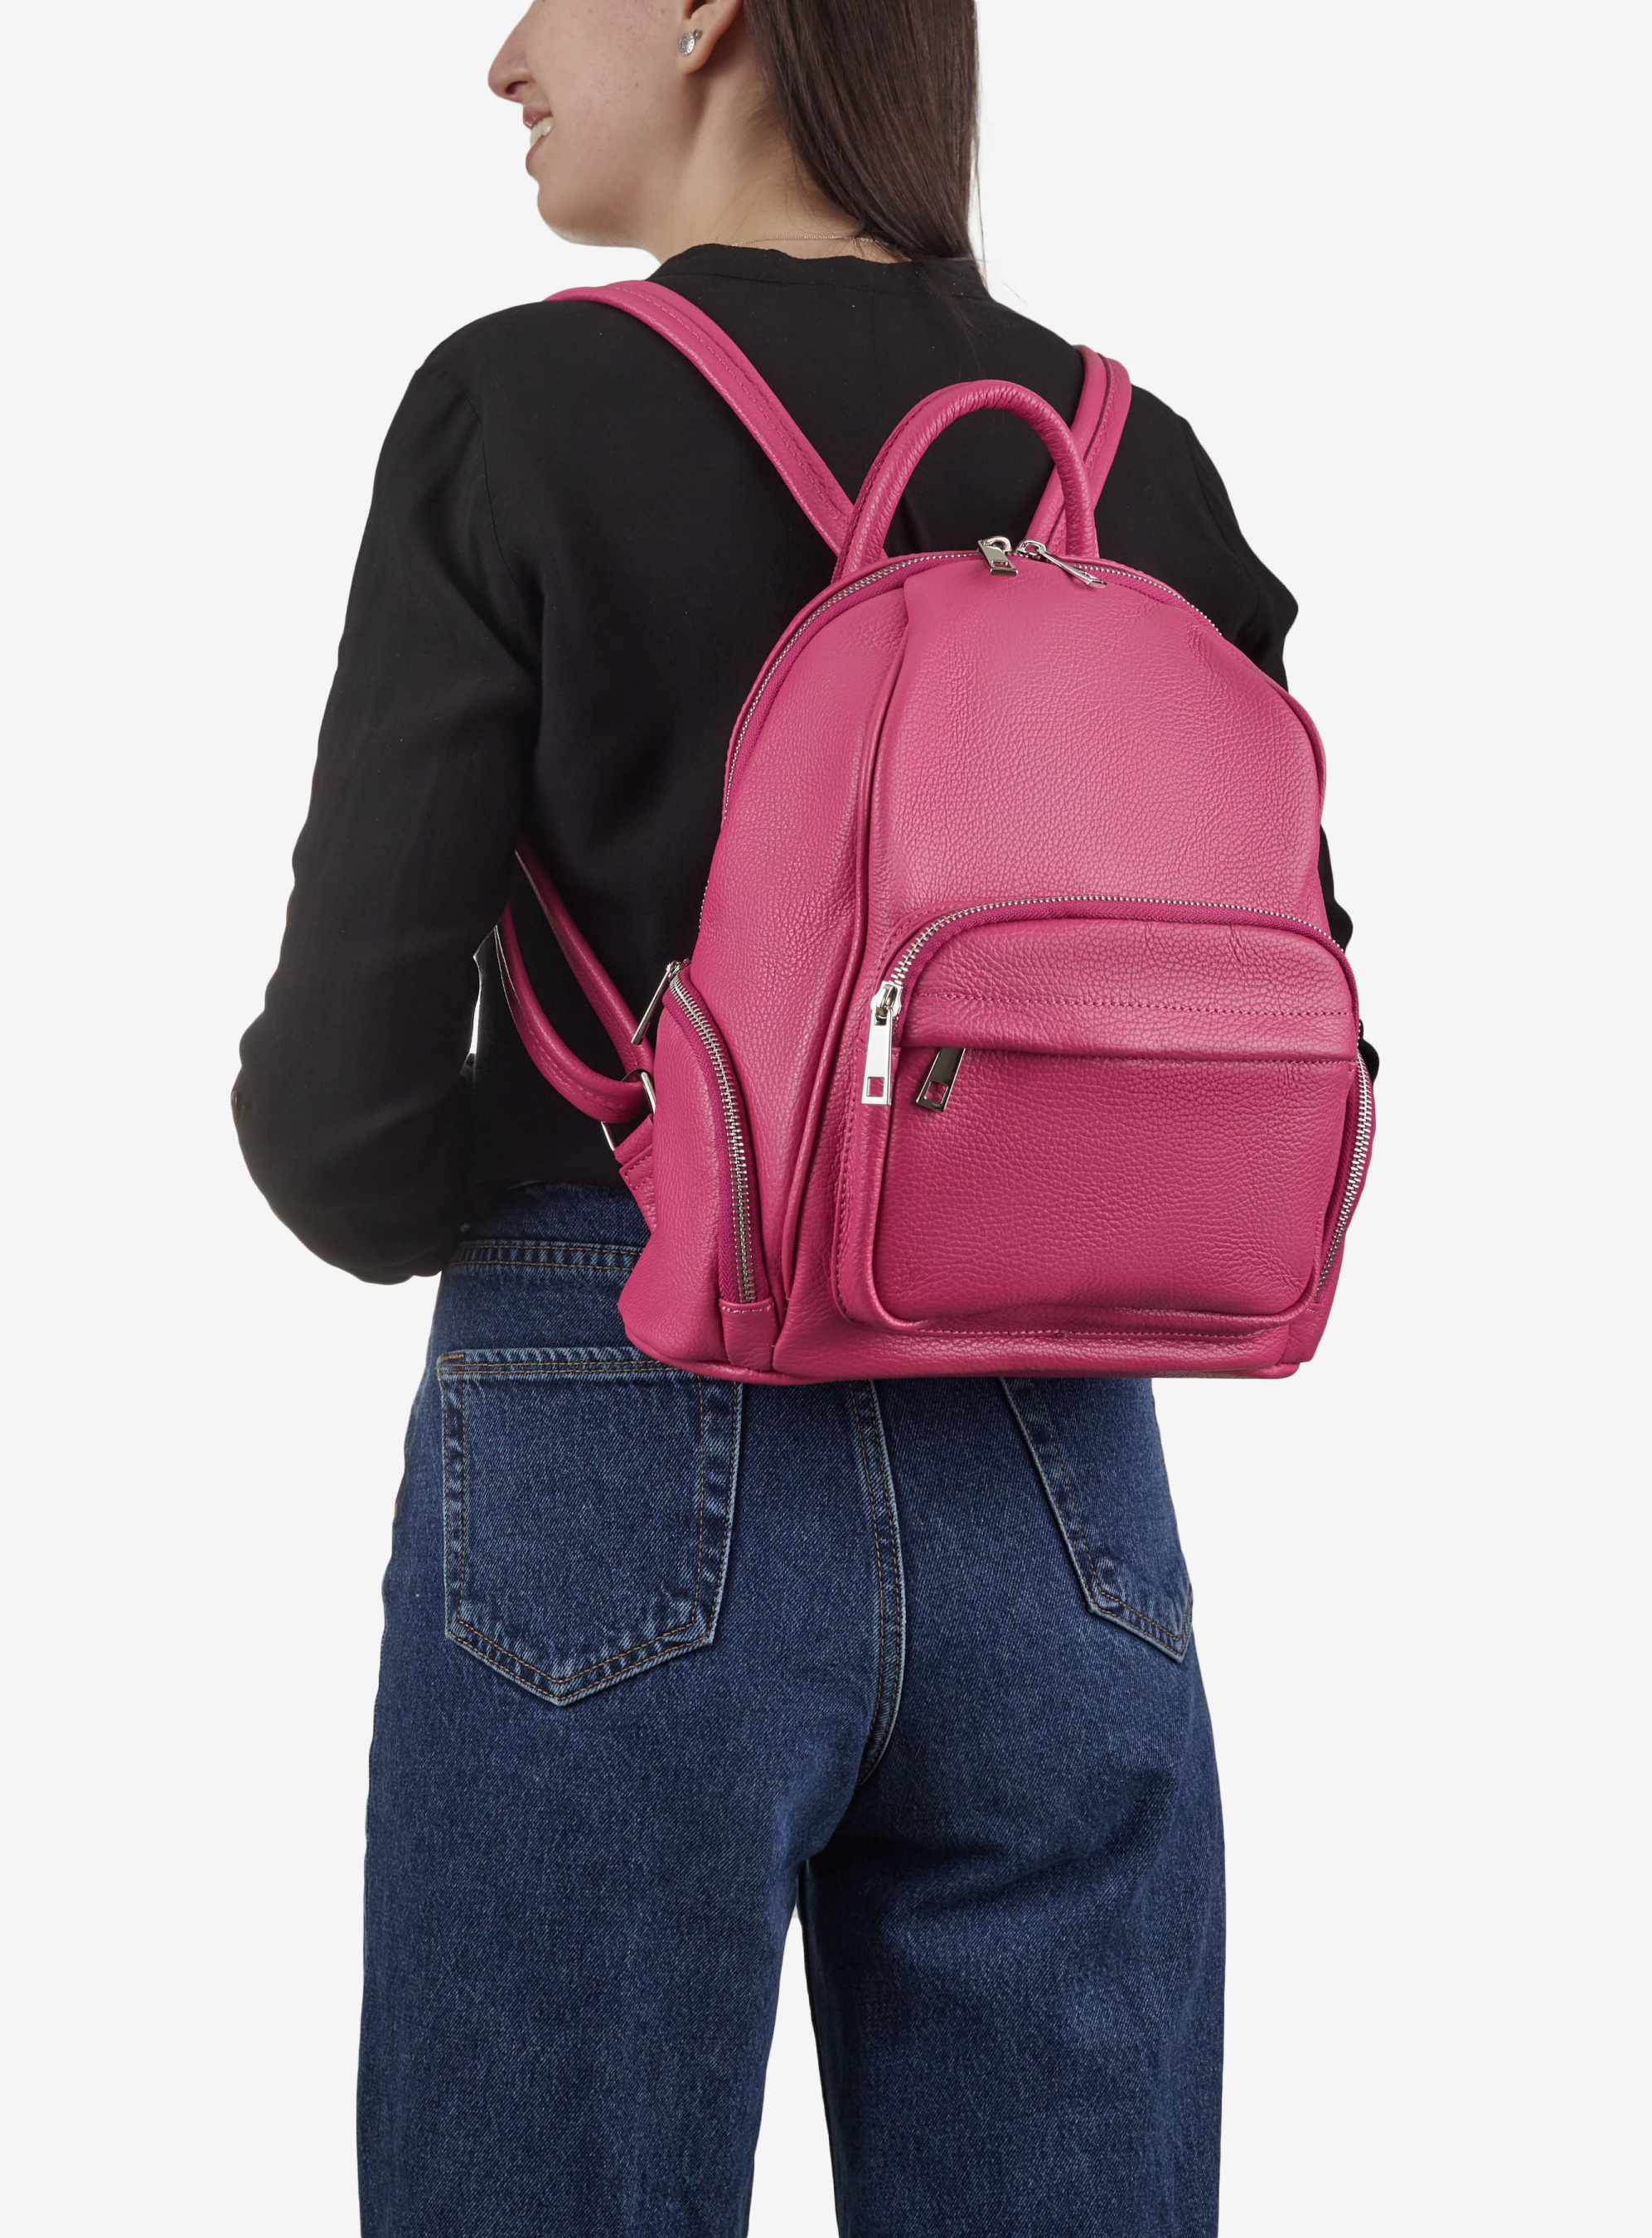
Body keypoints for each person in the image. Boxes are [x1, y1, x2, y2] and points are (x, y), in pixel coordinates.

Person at [235, 3, 1364, 2231]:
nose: (501, 56)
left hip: (616, 1411)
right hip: (1063, 1469)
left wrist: (607, 1182)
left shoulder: (522, 410)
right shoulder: (1135, 460)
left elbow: (338, 1120)